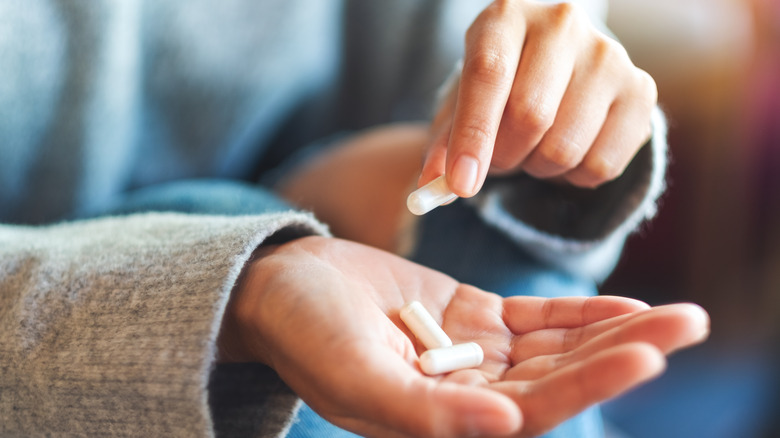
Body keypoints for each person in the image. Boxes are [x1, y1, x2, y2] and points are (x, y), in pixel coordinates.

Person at [0, 1, 708, 437]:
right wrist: (232, 296)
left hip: (391, 275)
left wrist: (554, 141)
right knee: (231, 219)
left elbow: (424, 204)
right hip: (62, 377)